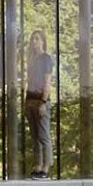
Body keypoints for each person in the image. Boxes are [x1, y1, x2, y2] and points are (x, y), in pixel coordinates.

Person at [22, 28, 55, 177]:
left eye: (37, 39)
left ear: (43, 41)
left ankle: (46, 167)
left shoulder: (46, 59)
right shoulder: (31, 60)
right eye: (32, 39)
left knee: (43, 135)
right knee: (35, 136)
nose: (34, 42)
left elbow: (47, 82)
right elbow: (29, 82)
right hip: (30, 100)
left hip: (41, 101)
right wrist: (25, 103)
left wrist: (43, 101)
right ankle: (38, 165)